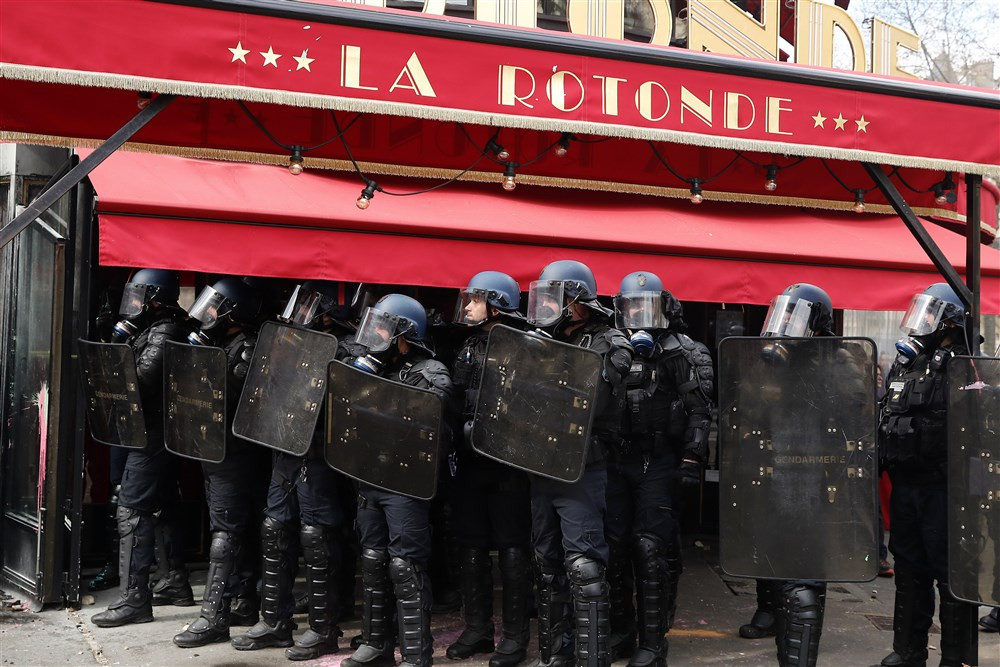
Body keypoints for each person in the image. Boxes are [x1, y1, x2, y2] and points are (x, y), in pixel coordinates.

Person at [231, 280, 357, 660]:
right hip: (284, 449)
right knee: (274, 529)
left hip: (316, 456)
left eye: (309, 306)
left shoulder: (345, 351)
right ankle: (275, 622)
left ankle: (323, 629)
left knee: (317, 537)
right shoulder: (292, 342)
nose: (300, 313)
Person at [524, 260, 633, 667]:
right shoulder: (540, 340)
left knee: (584, 568)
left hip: (583, 467)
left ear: (575, 301)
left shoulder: (610, 342)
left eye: (554, 297)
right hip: (542, 463)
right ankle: (557, 655)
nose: (546, 306)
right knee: (547, 564)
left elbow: (592, 400)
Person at [606, 271, 713, 667]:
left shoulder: (681, 352)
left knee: (650, 547)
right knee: (613, 547)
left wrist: (691, 460)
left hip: (659, 459)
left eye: (646, 306)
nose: (638, 314)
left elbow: (700, 411)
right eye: (631, 307)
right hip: (617, 458)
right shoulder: (612, 347)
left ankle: (653, 643)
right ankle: (622, 631)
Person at [341, 294, 454, 667]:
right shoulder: (368, 367)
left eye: (382, 328)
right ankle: (377, 645)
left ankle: (416, 655)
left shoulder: (430, 371)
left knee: (405, 565)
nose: (374, 335)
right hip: (369, 477)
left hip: (405, 484)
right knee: (373, 560)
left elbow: (430, 419)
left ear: (403, 333)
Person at [737, 283, 843, 667]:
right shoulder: (771, 365)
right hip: (772, 471)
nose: (785, 326)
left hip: (813, 479)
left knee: (804, 573)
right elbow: (747, 407)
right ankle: (769, 613)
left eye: (795, 319)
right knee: (768, 547)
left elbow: (851, 416)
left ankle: (800, 647)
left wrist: (813, 371)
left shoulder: (838, 366)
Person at [873, 283, 978, 667]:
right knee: (909, 568)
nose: (922, 322)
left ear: (949, 323)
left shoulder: (967, 364)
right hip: (906, 483)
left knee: (949, 575)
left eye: (932, 314)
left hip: (945, 488)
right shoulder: (908, 363)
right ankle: (909, 650)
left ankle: (954, 657)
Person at [92, 269, 195, 627]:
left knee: (132, 509)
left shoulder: (166, 331)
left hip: (153, 433)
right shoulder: (153, 328)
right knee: (163, 504)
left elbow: (139, 382)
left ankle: (134, 600)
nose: (133, 304)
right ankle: (174, 581)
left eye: (139, 296)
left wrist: (116, 348)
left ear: (156, 298)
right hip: (150, 431)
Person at [445, 271, 533, 667]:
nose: (467, 307)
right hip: (470, 461)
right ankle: (477, 630)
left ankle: (514, 638)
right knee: (471, 545)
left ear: (496, 305)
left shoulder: (524, 347)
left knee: (512, 548)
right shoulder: (468, 345)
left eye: (475, 300)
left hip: (507, 463)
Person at [172, 277, 265, 648]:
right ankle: (244, 600)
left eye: (215, 306)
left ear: (233, 313)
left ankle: (215, 616)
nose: (208, 312)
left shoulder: (246, 350)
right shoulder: (223, 344)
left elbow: (230, 397)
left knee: (226, 533)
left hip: (234, 453)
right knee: (235, 528)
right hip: (216, 449)